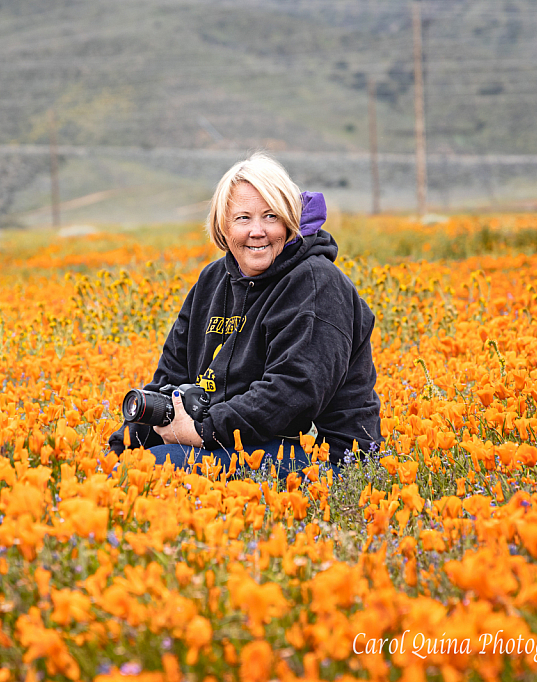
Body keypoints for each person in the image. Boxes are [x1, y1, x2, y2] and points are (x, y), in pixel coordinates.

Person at [108, 152, 381, 477]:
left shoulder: (315, 282)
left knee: (157, 468)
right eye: (243, 218)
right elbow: (170, 376)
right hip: (235, 439)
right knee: (131, 467)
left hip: (326, 461)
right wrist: (119, 451)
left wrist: (201, 431)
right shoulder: (212, 281)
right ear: (223, 226)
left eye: (271, 217)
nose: (257, 231)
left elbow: (293, 391)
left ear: (290, 222)